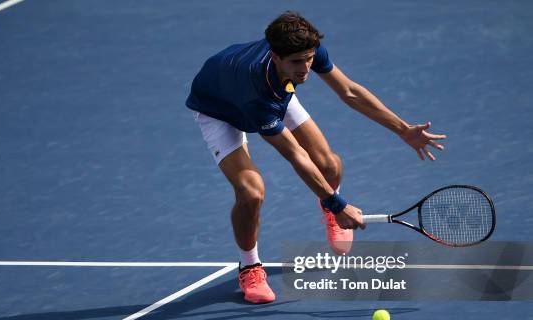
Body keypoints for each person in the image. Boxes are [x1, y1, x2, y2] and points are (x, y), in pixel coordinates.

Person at [186, 11, 446, 304]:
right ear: (275, 57)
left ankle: (330, 214)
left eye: (309, 58)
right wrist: (337, 203)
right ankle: (250, 266)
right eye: (297, 62)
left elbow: (349, 92)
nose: (305, 68)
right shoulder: (256, 94)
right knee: (251, 192)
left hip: (270, 89)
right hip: (219, 108)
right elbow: (295, 155)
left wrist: (402, 130)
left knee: (329, 165)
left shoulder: (302, 53)